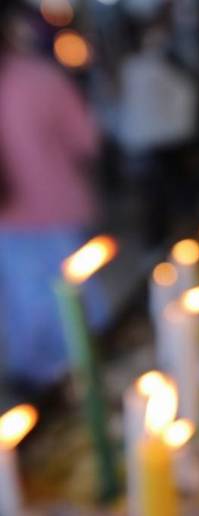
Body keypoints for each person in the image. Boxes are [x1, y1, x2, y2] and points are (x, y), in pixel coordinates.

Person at [0, 2, 105, 395]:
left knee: (22, 313)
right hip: (58, 214)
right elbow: (86, 141)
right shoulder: (39, 79)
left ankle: (40, 390)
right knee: (78, 317)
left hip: (8, 225)